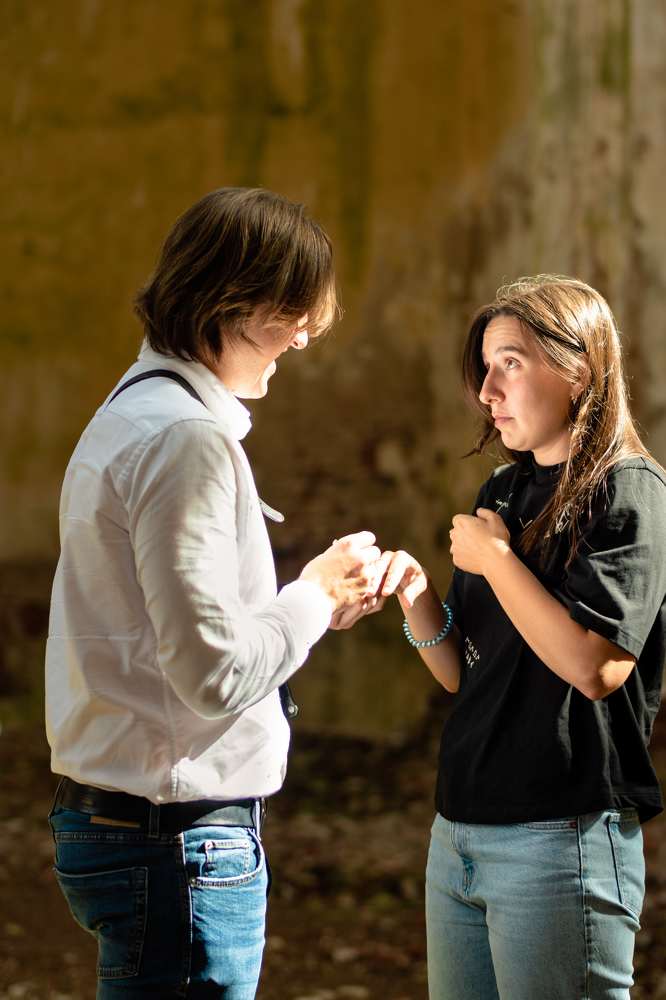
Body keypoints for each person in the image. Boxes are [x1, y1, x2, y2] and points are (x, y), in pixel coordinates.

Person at [45, 187, 399, 999]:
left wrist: (309, 609)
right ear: (233, 304)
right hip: (173, 844)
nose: (306, 336)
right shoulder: (184, 441)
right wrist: (310, 595)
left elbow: (166, 635)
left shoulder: (134, 413)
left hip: (138, 827)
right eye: (294, 314)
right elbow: (210, 675)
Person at [378, 275, 666, 999]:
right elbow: (459, 673)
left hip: (560, 838)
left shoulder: (630, 492)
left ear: (578, 368)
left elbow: (595, 667)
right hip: (458, 834)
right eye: (485, 367)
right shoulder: (500, 494)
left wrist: (498, 560)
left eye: (509, 361)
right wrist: (416, 594)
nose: (487, 390)